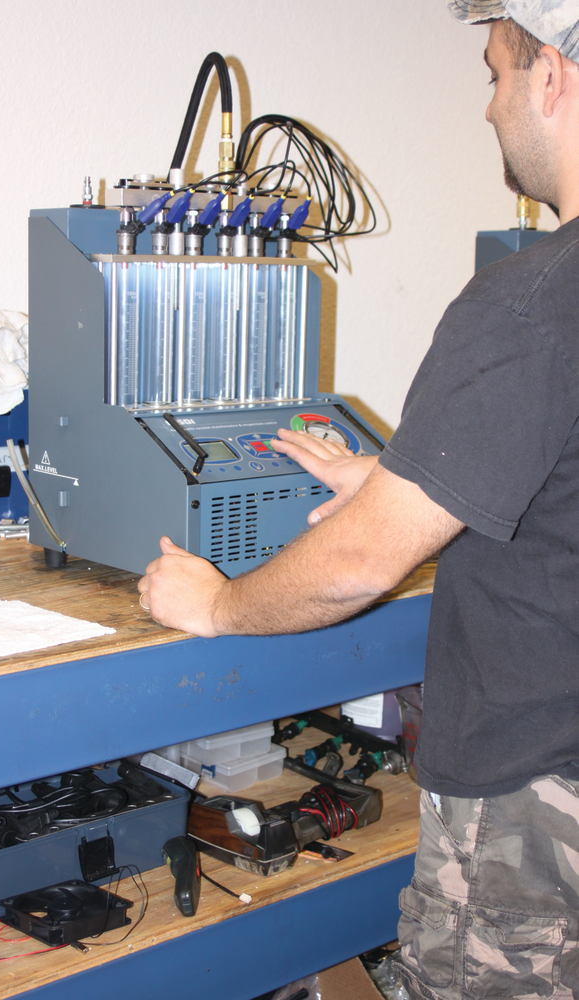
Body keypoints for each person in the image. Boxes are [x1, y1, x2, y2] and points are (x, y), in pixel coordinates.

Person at [139, 2, 579, 995]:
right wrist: (405, 481)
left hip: (537, 794)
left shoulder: (529, 299)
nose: (488, 108)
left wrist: (212, 602)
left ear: (549, 76)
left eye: (495, 74)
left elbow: (354, 565)